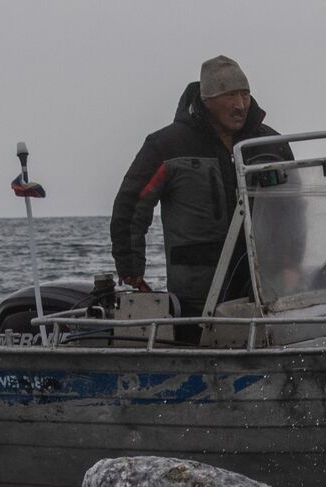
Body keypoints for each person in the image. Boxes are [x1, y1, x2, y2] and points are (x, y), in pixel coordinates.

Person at [110, 55, 288, 344]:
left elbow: (296, 209)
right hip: (196, 292)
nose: (240, 105)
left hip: (265, 284)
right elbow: (131, 205)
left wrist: (292, 266)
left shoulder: (270, 144)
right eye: (230, 95)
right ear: (207, 100)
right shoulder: (167, 145)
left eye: (244, 94)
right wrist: (131, 268)